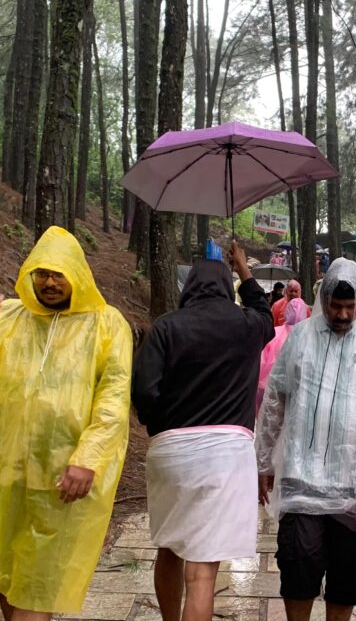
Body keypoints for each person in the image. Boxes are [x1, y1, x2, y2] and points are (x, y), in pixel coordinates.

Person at [0, 226, 132, 620]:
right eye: (42, 273)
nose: (49, 281)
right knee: (7, 574)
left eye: (58, 273)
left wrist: (88, 458)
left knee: (41, 584)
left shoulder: (106, 324)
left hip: (64, 477)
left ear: (77, 274)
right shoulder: (10, 316)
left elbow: (113, 399)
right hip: (3, 471)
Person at [256, 258, 356, 621]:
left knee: (347, 579)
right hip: (299, 479)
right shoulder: (302, 339)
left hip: (355, 485)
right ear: (322, 298)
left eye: (348, 306)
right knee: (297, 571)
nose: (341, 314)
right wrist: (263, 461)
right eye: (334, 306)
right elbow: (275, 398)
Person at [131, 243, 276, 621]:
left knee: (169, 546)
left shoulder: (165, 326)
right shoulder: (247, 325)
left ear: (188, 287)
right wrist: (244, 269)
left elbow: (144, 389)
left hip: (171, 452)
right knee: (201, 573)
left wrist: (160, 427)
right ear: (226, 289)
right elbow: (264, 310)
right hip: (226, 455)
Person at [256, 297, 310, 412]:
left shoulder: (274, 333)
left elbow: (261, 363)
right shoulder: (310, 336)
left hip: (270, 389)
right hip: (299, 392)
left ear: (286, 312)